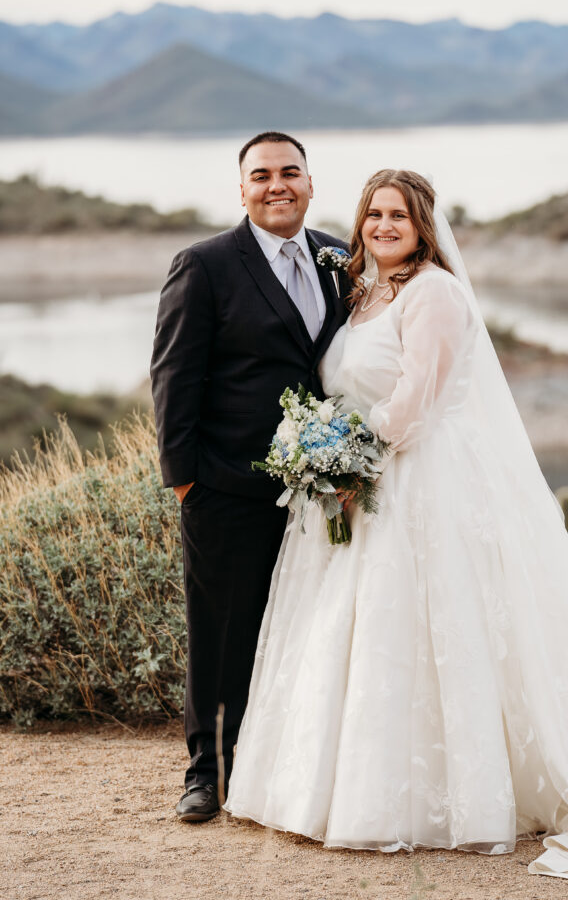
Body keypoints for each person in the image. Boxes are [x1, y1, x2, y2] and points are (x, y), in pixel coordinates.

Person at [225, 168, 568, 886]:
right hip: (364, 486)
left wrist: (342, 456)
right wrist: (321, 448)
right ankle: (341, 786)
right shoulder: (369, 293)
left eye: (397, 216)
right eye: (373, 214)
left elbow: (416, 403)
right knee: (367, 632)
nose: (382, 226)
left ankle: (446, 798)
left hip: (417, 486)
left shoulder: (434, 292)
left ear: (422, 225)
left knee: (427, 626)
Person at [150, 131, 349, 822]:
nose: (277, 185)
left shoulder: (337, 257)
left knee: (301, 627)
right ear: (241, 189)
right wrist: (185, 481)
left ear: (309, 182)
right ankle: (204, 772)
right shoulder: (203, 265)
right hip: (226, 485)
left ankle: (274, 767)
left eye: (289, 172)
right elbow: (174, 376)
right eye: (260, 175)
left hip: (320, 489)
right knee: (220, 630)